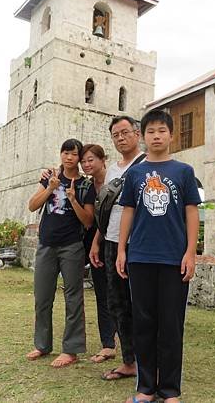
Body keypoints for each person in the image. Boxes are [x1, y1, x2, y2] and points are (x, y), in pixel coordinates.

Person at [117, 109, 201, 403]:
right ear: (143, 136)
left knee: (171, 325)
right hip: (140, 257)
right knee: (143, 323)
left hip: (173, 259)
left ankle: (170, 390)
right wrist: (121, 249)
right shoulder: (135, 174)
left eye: (161, 131)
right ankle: (146, 388)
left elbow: (192, 211)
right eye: (150, 131)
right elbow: (128, 210)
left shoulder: (184, 172)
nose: (156, 136)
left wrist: (191, 252)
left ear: (171, 135)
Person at [26, 139, 96, 368]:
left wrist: (73, 198)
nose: (69, 158)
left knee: (73, 298)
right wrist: (50, 188)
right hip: (46, 244)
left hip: (72, 246)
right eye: (66, 153)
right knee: (42, 297)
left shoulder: (86, 185)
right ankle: (42, 345)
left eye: (74, 154)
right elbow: (32, 205)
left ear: (79, 157)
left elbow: (87, 221)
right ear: (61, 154)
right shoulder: (50, 177)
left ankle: (71, 350)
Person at [89, 115, 144, 381]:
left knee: (141, 304)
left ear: (137, 133)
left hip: (139, 244)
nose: (120, 138)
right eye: (115, 135)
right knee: (117, 303)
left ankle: (149, 362)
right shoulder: (112, 169)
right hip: (111, 241)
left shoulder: (147, 164)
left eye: (125, 132)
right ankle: (129, 361)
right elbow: (106, 209)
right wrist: (97, 241)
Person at [79, 144, 117, 364]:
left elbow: (112, 218)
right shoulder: (87, 186)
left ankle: (128, 340)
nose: (86, 164)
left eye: (91, 159)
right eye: (84, 161)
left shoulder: (115, 182)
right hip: (94, 247)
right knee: (102, 294)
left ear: (104, 160)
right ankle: (108, 344)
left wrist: (96, 242)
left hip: (112, 241)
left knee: (120, 294)